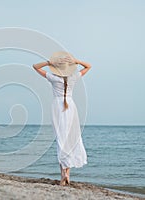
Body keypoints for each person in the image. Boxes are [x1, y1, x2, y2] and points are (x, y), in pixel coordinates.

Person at [33, 51, 91, 186]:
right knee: (70, 139)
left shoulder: (53, 78)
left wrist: (49, 62)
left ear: (57, 69)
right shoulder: (74, 77)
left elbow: (35, 66)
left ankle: (63, 175)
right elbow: (89, 66)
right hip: (70, 106)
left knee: (61, 139)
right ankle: (68, 174)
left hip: (57, 107)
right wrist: (76, 61)